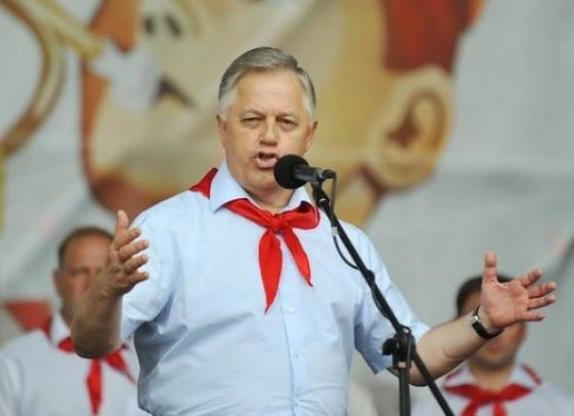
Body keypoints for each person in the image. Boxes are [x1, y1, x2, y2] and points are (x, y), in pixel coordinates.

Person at [71, 46, 557, 415]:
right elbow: (91, 342)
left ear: (309, 134)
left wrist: (483, 322)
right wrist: (107, 290)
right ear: (222, 129)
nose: (269, 136)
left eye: (285, 121)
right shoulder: (169, 229)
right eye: (252, 120)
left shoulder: (342, 242)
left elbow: (413, 359)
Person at [0, 227, 148, 416]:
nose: (93, 283)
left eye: (104, 272)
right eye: (80, 272)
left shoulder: (150, 359)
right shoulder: (12, 364)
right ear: (57, 281)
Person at [412, 275, 574, 415]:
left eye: (507, 321)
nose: (495, 334)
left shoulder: (562, 408)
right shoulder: (425, 411)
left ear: (524, 329)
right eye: (481, 321)